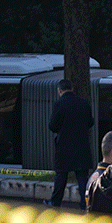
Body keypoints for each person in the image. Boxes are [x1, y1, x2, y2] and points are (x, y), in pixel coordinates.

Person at [46, 78, 94, 208]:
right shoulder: (83, 103)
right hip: (81, 146)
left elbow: (52, 126)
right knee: (83, 178)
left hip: (64, 147)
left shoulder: (59, 104)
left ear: (60, 91)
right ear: (72, 89)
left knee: (61, 176)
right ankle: (85, 204)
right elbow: (90, 122)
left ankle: (55, 202)